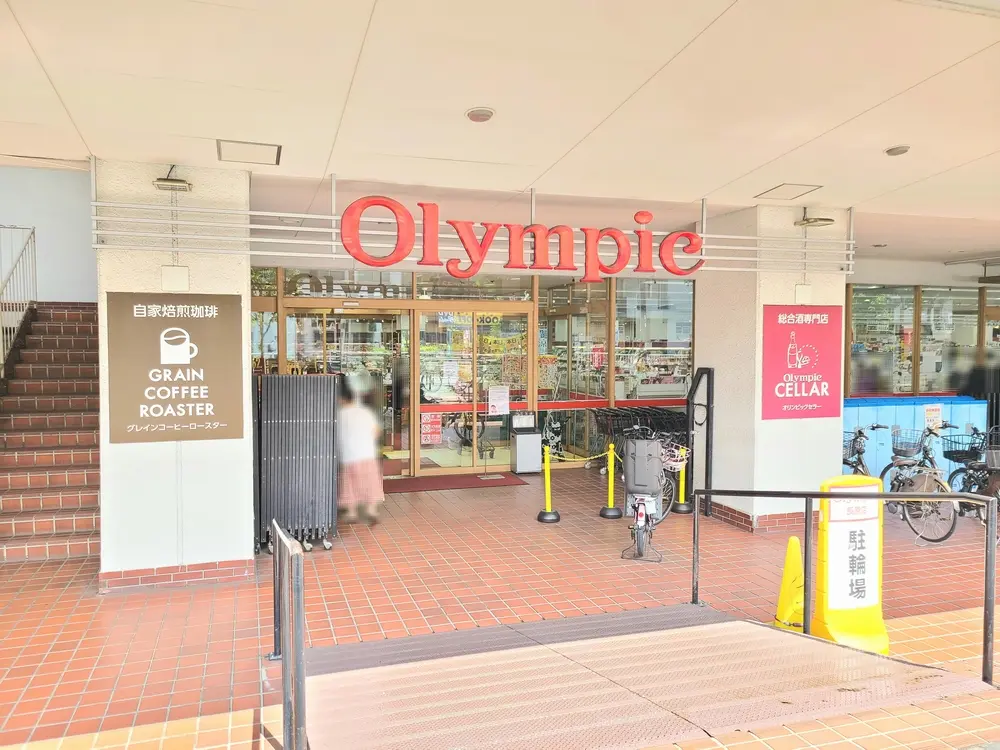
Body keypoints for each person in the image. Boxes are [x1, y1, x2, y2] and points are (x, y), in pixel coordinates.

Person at [337, 376, 384, 524]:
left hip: (349, 455)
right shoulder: (365, 412)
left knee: (349, 484)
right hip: (367, 453)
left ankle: (351, 513)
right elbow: (376, 431)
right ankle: (371, 510)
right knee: (370, 482)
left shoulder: (340, 414)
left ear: (341, 399)